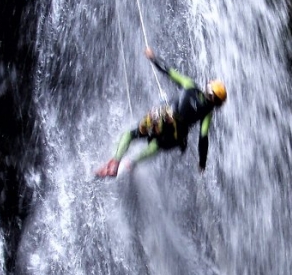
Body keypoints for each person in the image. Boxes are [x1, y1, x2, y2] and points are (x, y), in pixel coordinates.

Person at [95, 47, 227, 177]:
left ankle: (116, 161)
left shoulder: (190, 85)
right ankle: (132, 162)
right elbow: (203, 138)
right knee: (156, 145)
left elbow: (168, 71)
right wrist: (202, 162)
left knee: (130, 135)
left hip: (161, 118)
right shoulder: (208, 113)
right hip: (175, 133)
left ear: (208, 88)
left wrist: (153, 58)